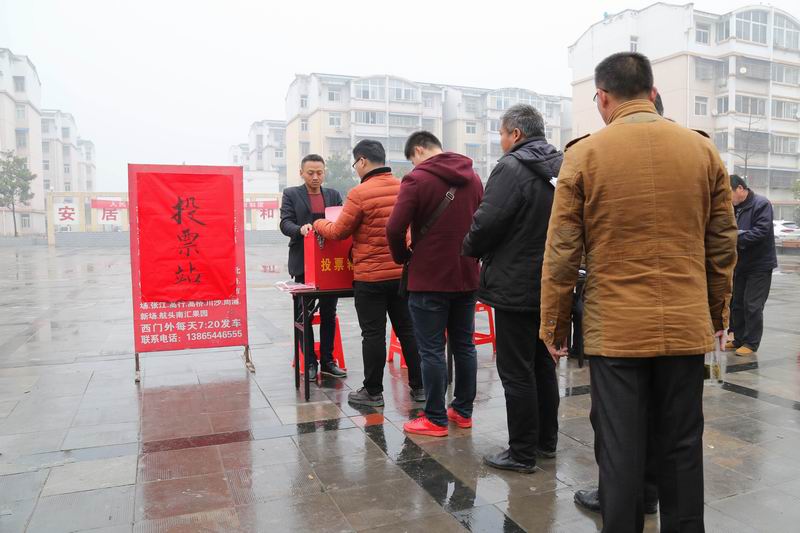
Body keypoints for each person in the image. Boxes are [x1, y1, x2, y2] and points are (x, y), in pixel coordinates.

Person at [539, 52, 737, 533]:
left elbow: (562, 251)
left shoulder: (584, 155)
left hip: (616, 330)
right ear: (652, 92)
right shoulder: (702, 151)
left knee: (620, 448)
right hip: (685, 325)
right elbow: (722, 242)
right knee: (683, 445)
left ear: (603, 98)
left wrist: (554, 325)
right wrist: (718, 314)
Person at [462, 104, 562, 474]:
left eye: (502, 134)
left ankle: (521, 452)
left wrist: (470, 247)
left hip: (515, 283)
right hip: (551, 281)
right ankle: (545, 442)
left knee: (517, 370)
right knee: (543, 364)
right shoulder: (561, 165)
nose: (502, 141)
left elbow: (487, 222)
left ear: (516, 134)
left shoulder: (511, 167)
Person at [386, 131, 484, 437]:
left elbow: (394, 228)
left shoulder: (416, 180)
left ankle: (435, 418)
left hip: (429, 278)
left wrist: (402, 257)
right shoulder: (473, 178)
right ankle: (463, 412)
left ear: (417, 150)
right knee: (464, 345)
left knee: (431, 349)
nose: (413, 165)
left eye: (412, 160)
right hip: (467, 275)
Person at [313, 140, 425, 406]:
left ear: (362, 161)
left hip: (370, 278)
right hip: (401, 274)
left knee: (373, 334)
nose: (356, 169)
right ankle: (420, 388)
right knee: (408, 331)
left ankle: (373, 392)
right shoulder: (403, 187)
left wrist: (318, 223)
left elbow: (339, 231)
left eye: (355, 164)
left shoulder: (359, 193)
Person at [279, 153, 347, 381]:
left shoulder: (333, 195)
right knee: (303, 314)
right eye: (310, 173)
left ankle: (327, 361)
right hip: (303, 263)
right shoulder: (291, 194)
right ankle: (309, 362)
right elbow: (285, 222)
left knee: (329, 313)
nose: (315, 177)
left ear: (324, 172)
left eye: (319, 172)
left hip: (329, 264)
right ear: (301, 173)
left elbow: (341, 221)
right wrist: (300, 229)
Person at [727, 174, 777, 356]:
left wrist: (736, 236)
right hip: (740, 264)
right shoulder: (734, 208)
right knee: (737, 303)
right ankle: (739, 338)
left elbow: (760, 232)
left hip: (760, 264)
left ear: (740, 188)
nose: (728, 198)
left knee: (752, 304)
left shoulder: (761, 204)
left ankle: (751, 342)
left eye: (729, 193)